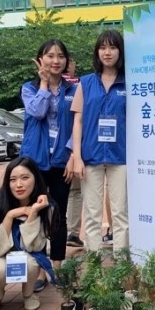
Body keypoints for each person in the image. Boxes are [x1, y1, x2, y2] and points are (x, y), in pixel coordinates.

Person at [20, 39, 77, 291]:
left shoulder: (74, 89)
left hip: (62, 160)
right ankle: (41, 270)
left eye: (60, 56)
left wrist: (72, 153)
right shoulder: (29, 88)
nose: (56, 60)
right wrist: (44, 84)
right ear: (40, 59)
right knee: (38, 214)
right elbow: (38, 112)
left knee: (59, 215)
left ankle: (58, 267)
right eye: (50, 55)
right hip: (35, 161)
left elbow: (78, 124)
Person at [70, 29, 128, 252]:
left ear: (120, 51)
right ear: (97, 52)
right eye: (102, 48)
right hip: (91, 156)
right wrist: (77, 157)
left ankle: (122, 264)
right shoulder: (85, 83)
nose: (107, 52)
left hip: (121, 156)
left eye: (112, 47)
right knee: (92, 214)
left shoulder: (130, 83)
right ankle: (94, 264)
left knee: (121, 214)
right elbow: (78, 121)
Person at [0, 157, 56, 310]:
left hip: (27, 256)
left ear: (35, 179)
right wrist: (10, 215)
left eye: (25, 178)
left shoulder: (46, 208)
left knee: (30, 263)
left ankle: (28, 294)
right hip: (0, 257)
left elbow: (34, 247)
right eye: (13, 180)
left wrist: (33, 213)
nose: (18, 185)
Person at [63, 59, 85, 248]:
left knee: (75, 192)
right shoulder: (41, 86)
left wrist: (73, 154)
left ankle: (72, 233)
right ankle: (60, 233)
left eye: (70, 62)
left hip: (74, 149)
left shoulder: (80, 86)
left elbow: (81, 122)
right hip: (56, 151)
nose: (69, 65)